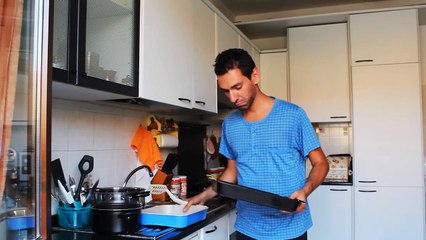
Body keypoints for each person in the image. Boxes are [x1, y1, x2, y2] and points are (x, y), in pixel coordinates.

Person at [183, 48, 329, 240]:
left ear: (255, 75)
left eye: (237, 87)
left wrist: (305, 190)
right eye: (226, 91)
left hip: (290, 229)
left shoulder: (293, 116)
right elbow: (232, 172)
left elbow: (321, 163)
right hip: (247, 228)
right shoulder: (230, 124)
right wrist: (202, 197)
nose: (233, 98)